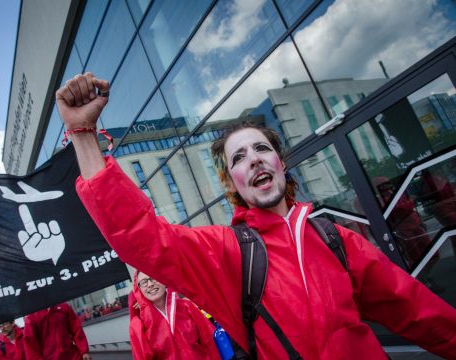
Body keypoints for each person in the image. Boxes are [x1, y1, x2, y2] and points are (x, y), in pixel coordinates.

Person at [56, 72, 456, 359]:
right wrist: (84, 136)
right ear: (234, 182)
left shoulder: (336, 239)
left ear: (280, 163)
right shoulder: (225, 252)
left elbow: (419, 312)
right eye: (240, 158)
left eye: (262, 149)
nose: (255, 160)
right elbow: (138, 232)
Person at [129, 270, 220, 359]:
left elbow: (210, 343)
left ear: (163, 281)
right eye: (144, 282)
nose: (150, 284)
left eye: (153, 278)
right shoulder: (138, 324)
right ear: (139, 289)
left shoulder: (187, 307)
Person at [23, 302, 91, 360]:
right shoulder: (31, 317)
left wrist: (84, 351)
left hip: (73, 357)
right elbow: (30, 347)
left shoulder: (63, 306)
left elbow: (76, 328)